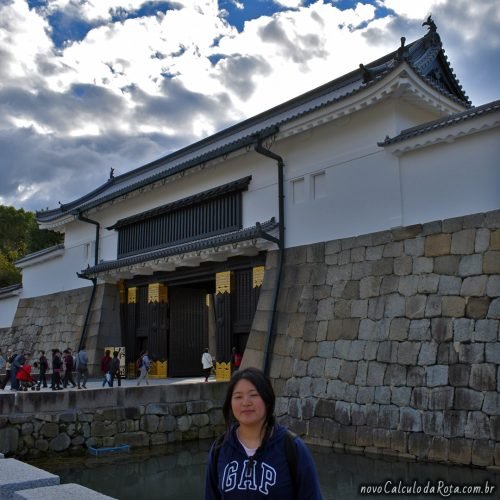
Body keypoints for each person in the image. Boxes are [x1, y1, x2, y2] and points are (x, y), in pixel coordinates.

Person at [205, 367, 322, 499]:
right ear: (230, 403)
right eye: (238, 396)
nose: (245, 403)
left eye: (253, 395)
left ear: (267, 400)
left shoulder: (292, 448)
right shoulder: (220, 449)